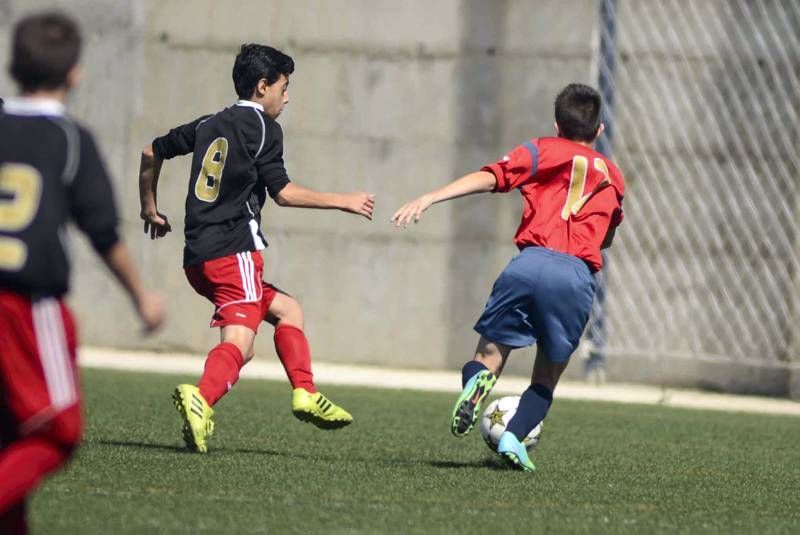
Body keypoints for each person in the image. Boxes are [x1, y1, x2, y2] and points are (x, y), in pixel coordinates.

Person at [139, 43, 375, 453]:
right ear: (263, 86)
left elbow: (151, 151)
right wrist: (343, 200)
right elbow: (282, 192)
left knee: (288, 310)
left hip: (197, 258)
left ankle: (304, 391)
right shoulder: (264, 126)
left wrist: (150, 208)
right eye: (284, 87)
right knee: (241, 345)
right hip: (235, 252)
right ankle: (203, 398)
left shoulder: (209, 122)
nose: (288, 96)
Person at [391, 83, 625, 471]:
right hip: (575, 274)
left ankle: (477, 385)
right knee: (546, 377)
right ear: (599, 130)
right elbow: (608, 235)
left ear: (556, 124)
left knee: (487, 356)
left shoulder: (541, 149)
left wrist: (430, 197)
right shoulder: (614, 176)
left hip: (529, 264)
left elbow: (491, 177)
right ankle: (515, 437)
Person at [0, 12, 165, 533]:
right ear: (76, 73)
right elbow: (102, 230)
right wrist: (141, 295)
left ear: (11, 67)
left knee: (11, 438)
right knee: (57, 433)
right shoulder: (69, 139)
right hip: (26, 307)